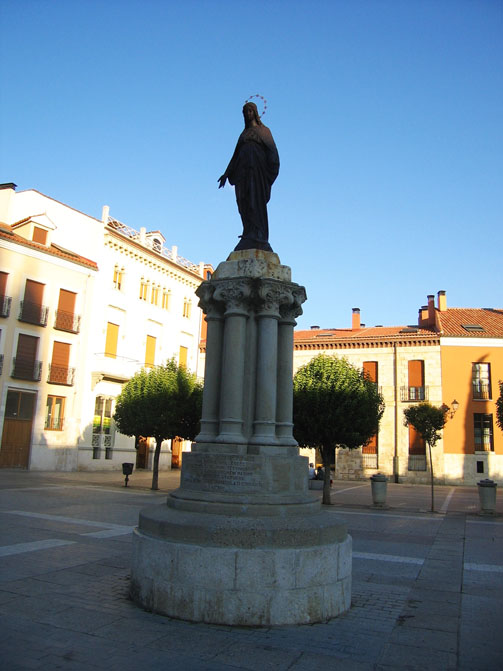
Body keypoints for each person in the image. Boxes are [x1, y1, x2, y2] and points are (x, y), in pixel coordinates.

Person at [218, 101, 279, 252]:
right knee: (243, 202)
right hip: (242, 174)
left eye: (250, 111)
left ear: (256, 113)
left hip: (257, 173)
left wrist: (269, 171)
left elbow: (272, 152)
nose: (247, 114)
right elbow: (235, 156)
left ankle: (258, 235)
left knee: (254, 201)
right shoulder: (243, 134)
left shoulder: (264, 131)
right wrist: (226, 173)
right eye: (245, 112)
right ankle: (248, 233)